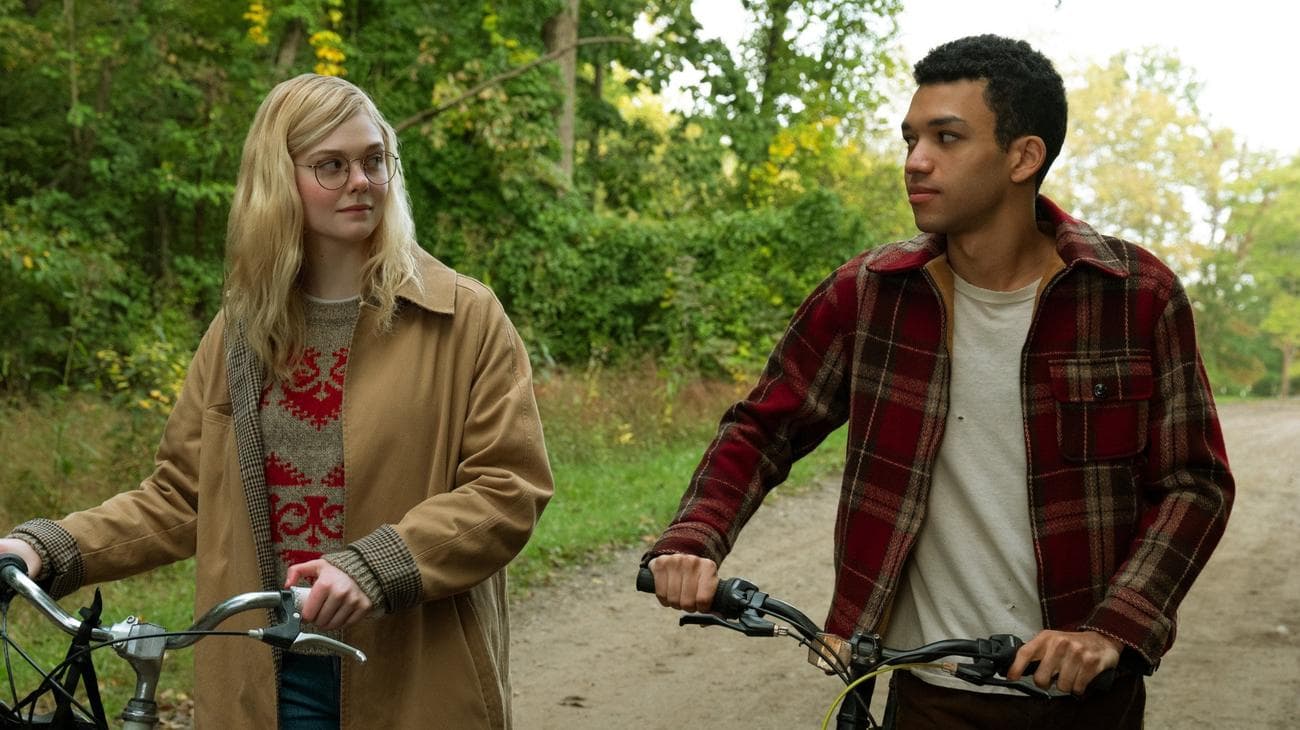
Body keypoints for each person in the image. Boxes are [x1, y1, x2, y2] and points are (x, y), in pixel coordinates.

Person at [644, 35, 1233, 729]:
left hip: (1081, 702)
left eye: (946, 138)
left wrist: (1111, 629)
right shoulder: (868, 293)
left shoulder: (1135, 296)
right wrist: (693, 538)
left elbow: (1195, 484)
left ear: (1023, 156)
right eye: (911, 138)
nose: (915, 161)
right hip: (924, 697)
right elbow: (764, 426)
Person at [0, 74, 553, 729]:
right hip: (259, 679)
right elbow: (182, 497)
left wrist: (374, 568)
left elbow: (507, 489)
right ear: (277, 178)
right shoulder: (242, 329)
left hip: (412, 680)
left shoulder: (463, 317)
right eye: (332, 165)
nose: (362, 181)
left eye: (375, 159)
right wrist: (45, 548)